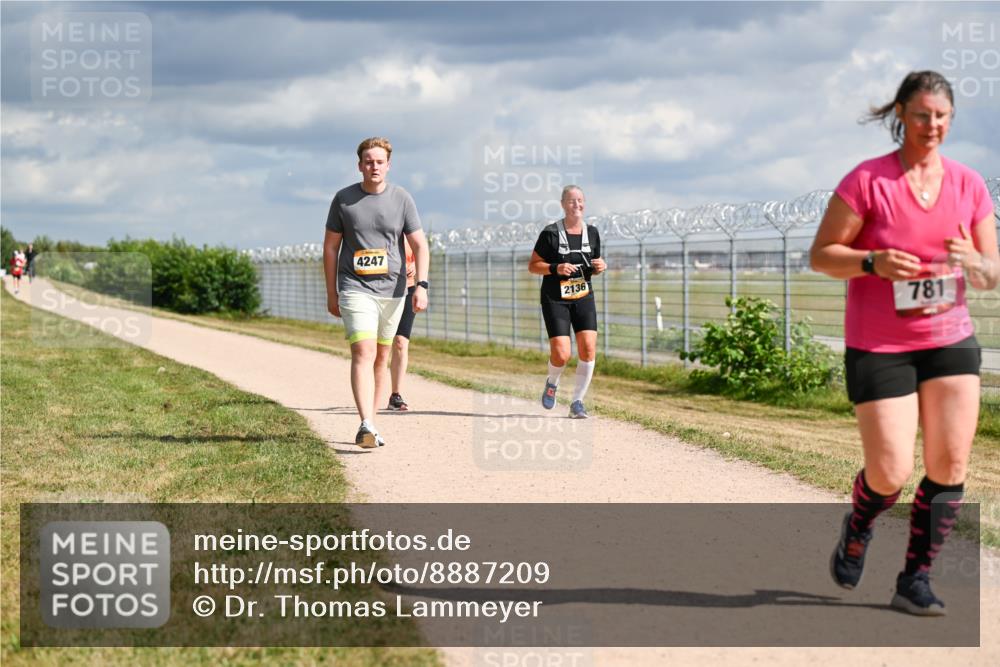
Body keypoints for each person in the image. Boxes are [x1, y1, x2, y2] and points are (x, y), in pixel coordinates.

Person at [810, 71, 997, 616]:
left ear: (951, 119)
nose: (931, 125)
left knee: (950, 463)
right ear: (901, 114)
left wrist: (975, 262)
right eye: (921, 115)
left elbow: (992, 274)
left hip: (950, 339)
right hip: (880, 344)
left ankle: (915, 578)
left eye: (941, 116)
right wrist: (872, 262)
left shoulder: (968, 185)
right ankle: (861, 522)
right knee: (890, 471)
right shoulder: (868, 181)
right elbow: (822, 255)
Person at [324, 137, 430, 448]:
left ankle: (373, 424)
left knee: (382, 356)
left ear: (388, 165)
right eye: (368, 161)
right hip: (355, 286)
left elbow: (420, 245)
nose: (374, 166)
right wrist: (332, 293)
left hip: (394, 290)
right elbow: (331, 248)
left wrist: (421, 285)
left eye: (379, 161)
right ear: (359, 165)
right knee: (364, 352)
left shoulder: (402, 199)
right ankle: (365, 422)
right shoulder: (343, 200)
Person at [528, 185, 606, 418]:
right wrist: (556, 267)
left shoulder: (592, 233)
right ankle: (552, 382)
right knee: (562, 354)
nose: (577, 205)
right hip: (555, 299)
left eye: (580, 200)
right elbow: (533, 266)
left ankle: (577, 402)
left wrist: (601, 266)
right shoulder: (550, 233)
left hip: (583, 296)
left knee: (588, 348)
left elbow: (595, 261)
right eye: (572, 201)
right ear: (563, 204)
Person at [387, 237, 418, 411]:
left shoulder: (411, 231)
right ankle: (371, 391)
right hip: (382, 291)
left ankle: (395, 395)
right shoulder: (381, 228)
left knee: (400, 342)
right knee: (378, 345)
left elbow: (421, 253)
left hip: (408, 288)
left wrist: (416, 266)